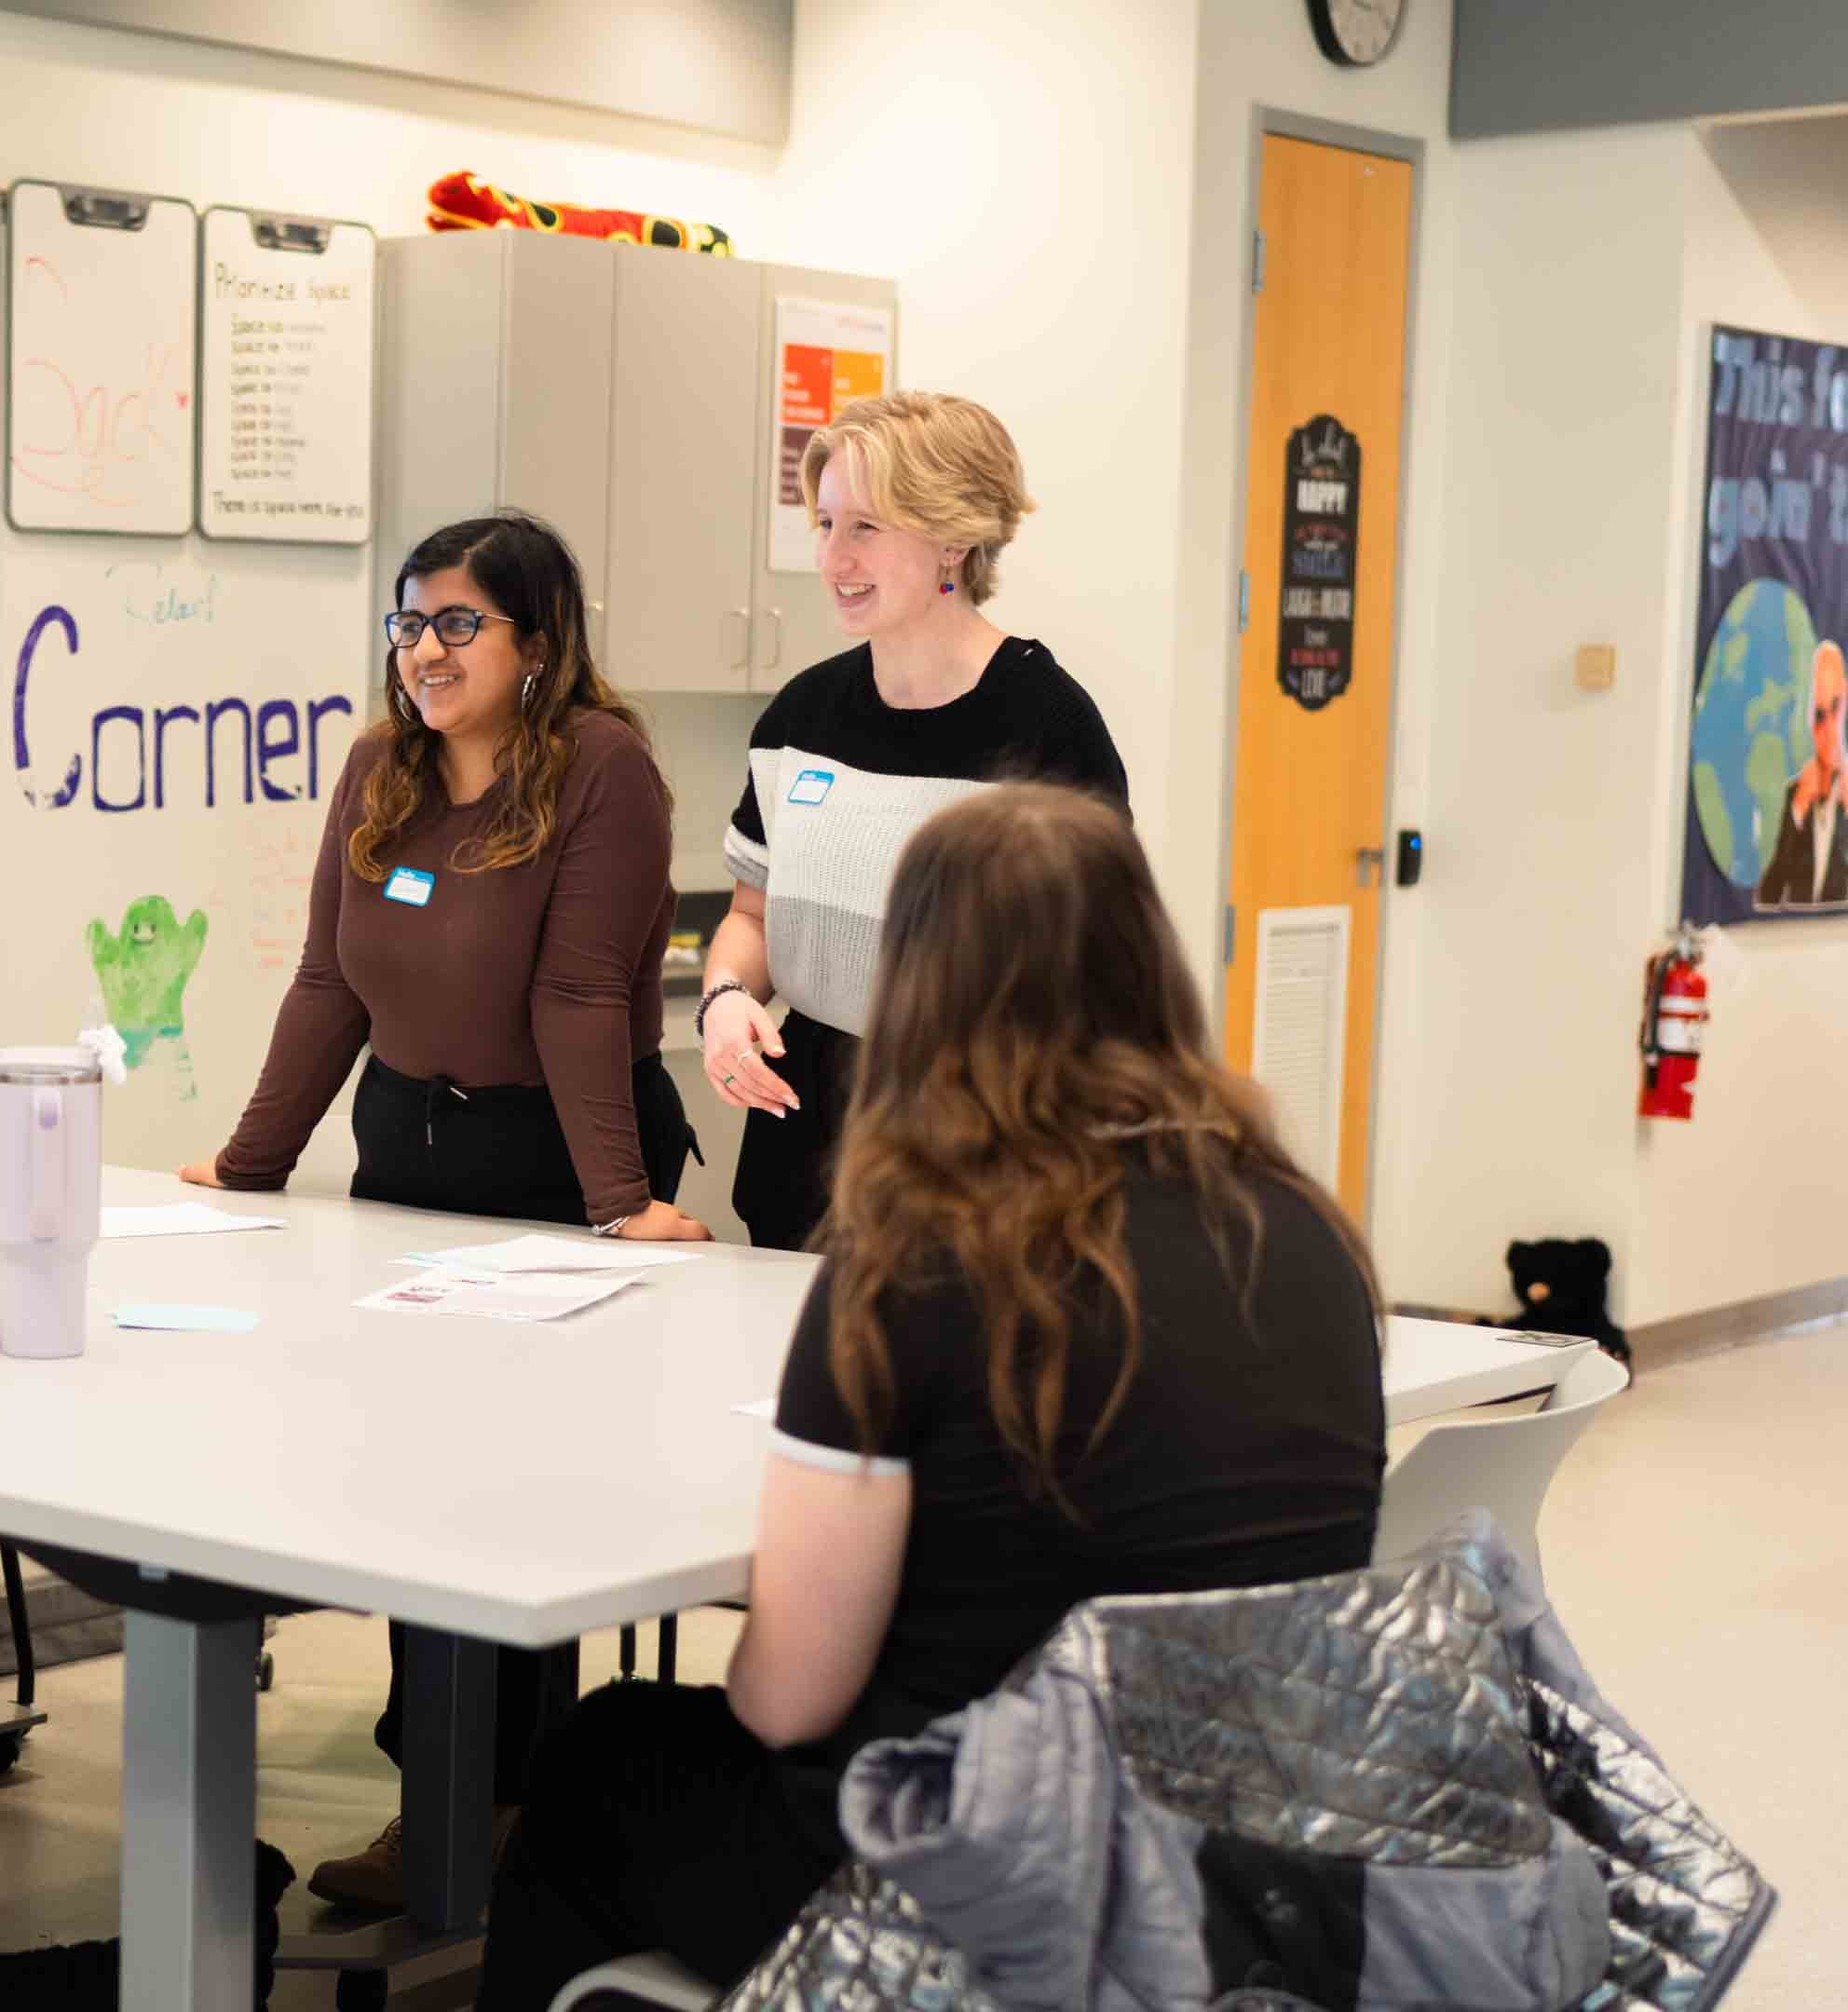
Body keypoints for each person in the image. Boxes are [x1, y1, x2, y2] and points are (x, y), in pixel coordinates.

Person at [474, 785, 1388, 2007]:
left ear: (919, 989)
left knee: (601, 1761)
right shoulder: (1307, 1237)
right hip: (1256, 1884)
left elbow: (788, 1699)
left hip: (971, 1894)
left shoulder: (916, 1262)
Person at [176, 511, 704, 1912]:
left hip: (556, 1169)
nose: (424, 649)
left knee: (517, 1503)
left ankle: (515, 1813)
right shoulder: (380, 768)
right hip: (406, 1163)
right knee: (414, 1494)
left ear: (540, 641)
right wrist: (247, 1164)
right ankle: (447, 1797)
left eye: (459, 622)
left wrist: (622, 1206)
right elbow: (328, 984)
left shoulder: (603, 770)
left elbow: (585, 994)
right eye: (409, 623)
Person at [700, 390, 1128, 1251]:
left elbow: (1097, 979)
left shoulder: (1047, 729)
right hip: (805, 1142)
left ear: (953, 537)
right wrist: (724, 1000)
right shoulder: (800, 716)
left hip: (973, 1163)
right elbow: (752, 916)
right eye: (824, 524)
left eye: (866, 527)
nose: (832, 559)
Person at [1755, 640, 1846, 908]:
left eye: (1836, 707)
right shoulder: (1795, 795)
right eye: (1819, 716)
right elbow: (1767, 898)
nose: (1829, 730)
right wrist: (1798, 808)